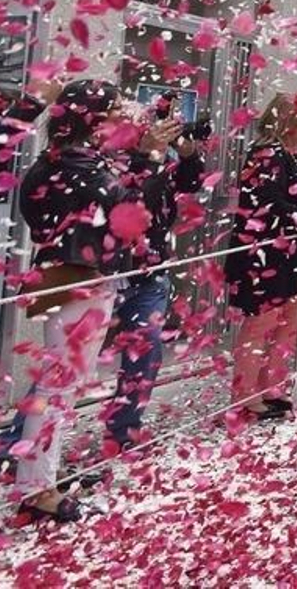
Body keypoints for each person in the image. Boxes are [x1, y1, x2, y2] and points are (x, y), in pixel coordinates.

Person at [10, 80, 173, 523]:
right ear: (94, 117)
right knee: (58, 387)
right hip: (80, 283)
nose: (126, 112)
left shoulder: (59, 159)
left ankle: (36, 475)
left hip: (76, 279)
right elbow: (133, 214)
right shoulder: (79, 162)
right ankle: (36, 486)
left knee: (57, 384)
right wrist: (150, 158)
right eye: (116, 106)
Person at [104, 99, 207, 449]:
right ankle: (17, 440)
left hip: (151, 270)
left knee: (146, 353)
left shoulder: (156, 159)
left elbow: (190, 183)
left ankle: (124, 430)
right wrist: (147, 157)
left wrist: (188, 153)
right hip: (109, 271)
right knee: (70, 361)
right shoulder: (108, 161)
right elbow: (128, 205)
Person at [224, 93, 297, 421]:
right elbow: (267, 202)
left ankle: (270, 387)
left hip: (286, 254)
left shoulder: (284, 156)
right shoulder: (266, 154)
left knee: (294, 317)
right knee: (262, 323)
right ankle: (247, 394)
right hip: (265, 255)